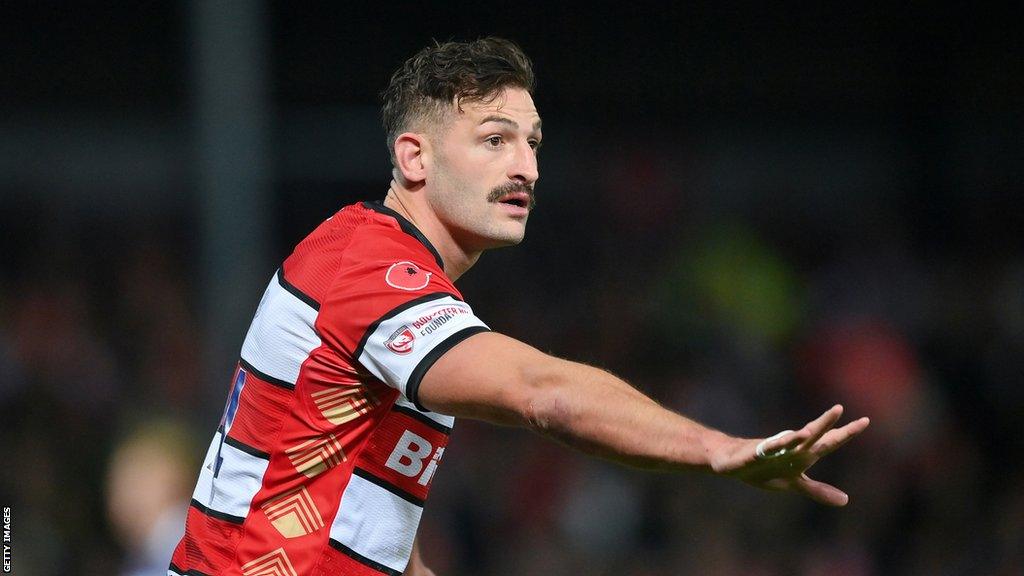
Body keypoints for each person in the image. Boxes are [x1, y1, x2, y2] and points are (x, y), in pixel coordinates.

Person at [169, 37, 869, 576]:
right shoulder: (367, 267)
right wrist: (721, 449)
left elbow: (363, 531)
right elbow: (541, 393)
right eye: (495, 139)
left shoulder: (384, 277)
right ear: (414, 158)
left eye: (532, 143)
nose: (526, 167)